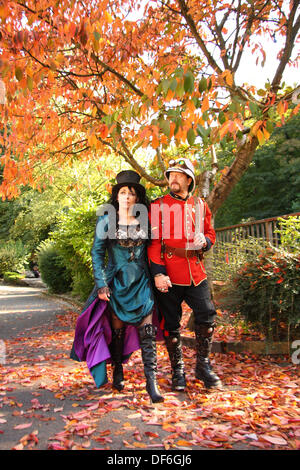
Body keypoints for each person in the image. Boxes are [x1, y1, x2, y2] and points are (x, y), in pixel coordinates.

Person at [70, 170, 164, 403]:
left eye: (132, 193)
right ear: (117, 196)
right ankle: (118, 371)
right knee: (118, 332)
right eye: (123, 192)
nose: (127, 197)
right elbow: (97, 253)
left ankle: (151, 383)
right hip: (116, 283)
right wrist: (101, 284)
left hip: (142, 282)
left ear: (138, 198)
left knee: (147, 332)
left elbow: (156, 249)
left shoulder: (146, 221)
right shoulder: (107, 220)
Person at [147, 158, 222, 391]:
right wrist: (158, 273)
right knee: (171, 322)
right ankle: (177, 370)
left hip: (196, 272)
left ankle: (203, 366)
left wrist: (207, 240)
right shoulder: (157, 206)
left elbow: (210, 231)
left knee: (207, 314)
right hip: (168, 271)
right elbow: (152, 243)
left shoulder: (200, 205)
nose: (173, 179)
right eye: (170, 174)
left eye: (179, 175)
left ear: (189, 179)